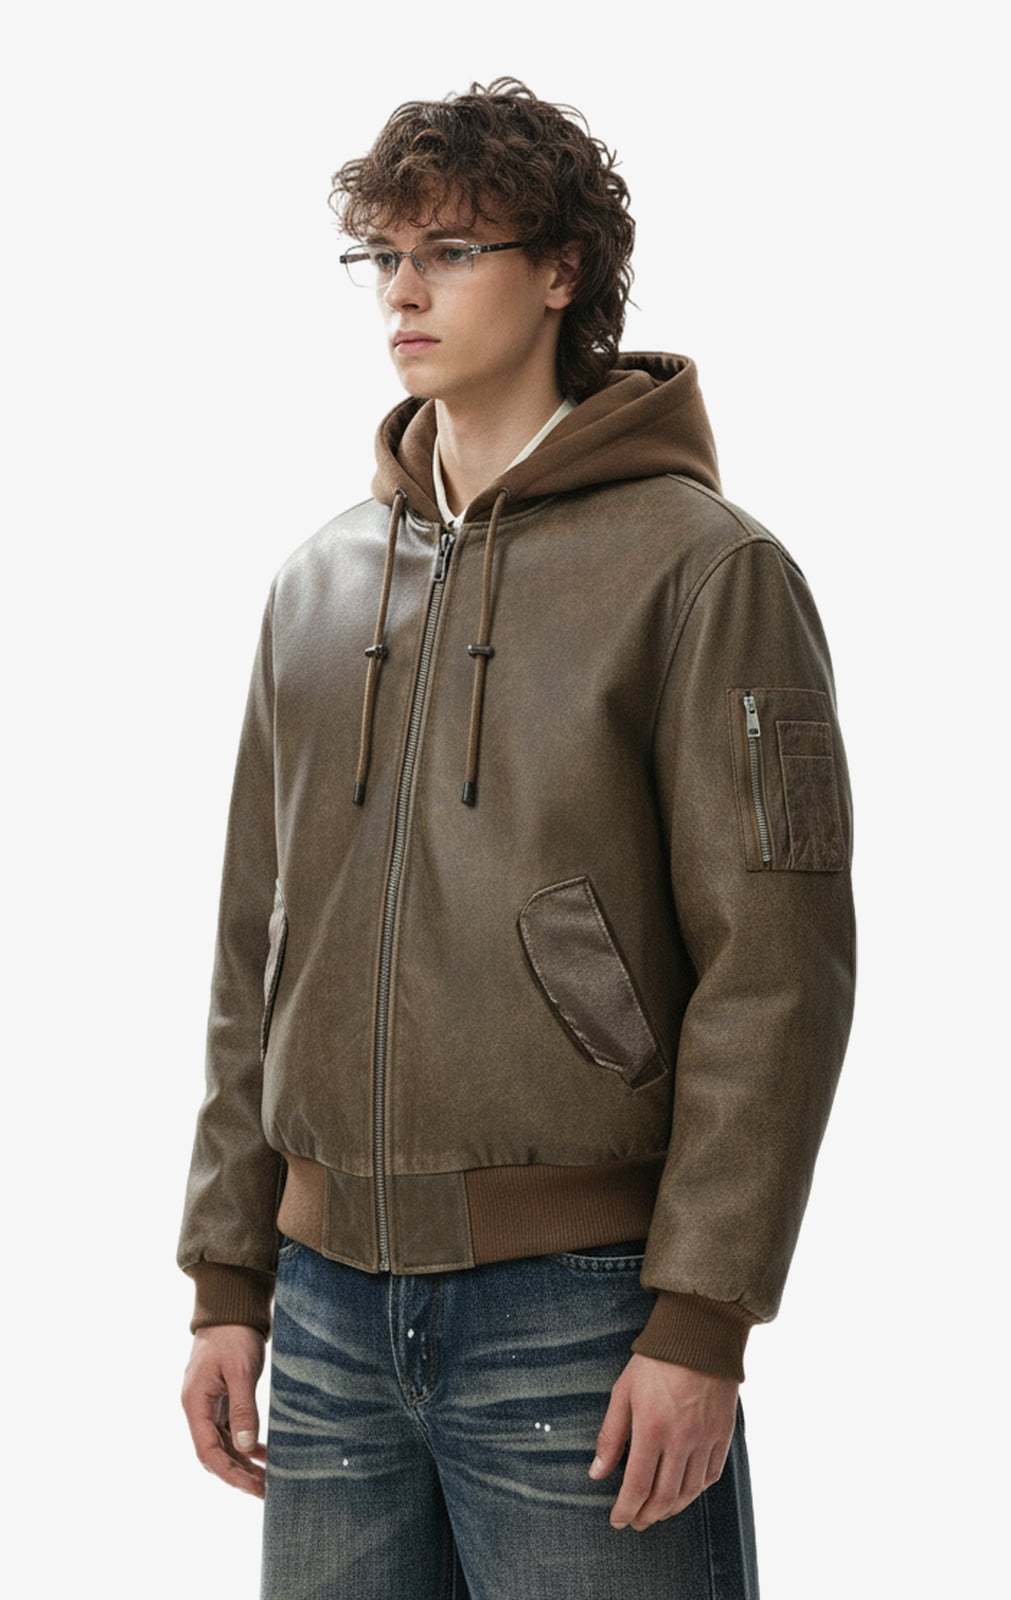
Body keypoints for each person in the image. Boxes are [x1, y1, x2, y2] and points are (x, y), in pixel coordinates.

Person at [177, 76, 856, 1599]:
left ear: (562, 271)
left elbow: (779, 967)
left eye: (452, 251)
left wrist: (702, 1319)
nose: (403, 292)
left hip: (580, 1313)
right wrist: (229, 1275)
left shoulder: (704, 571)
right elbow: (251, 944)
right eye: (383, 256)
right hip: (328, 1321)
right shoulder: (320, 582)